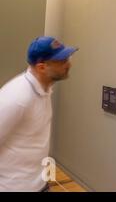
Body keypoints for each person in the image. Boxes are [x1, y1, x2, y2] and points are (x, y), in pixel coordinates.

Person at [0, 36, 78, 192]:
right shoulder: (16, 97)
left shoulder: (45, 89)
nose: (68, 64)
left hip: (39, 183)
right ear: (41, 67)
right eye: (62, 61)